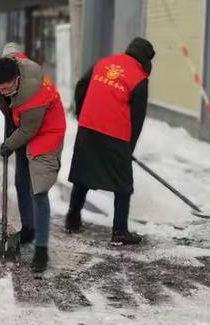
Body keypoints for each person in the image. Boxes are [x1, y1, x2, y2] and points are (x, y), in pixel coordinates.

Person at [65, 37, 155, 246]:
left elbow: (81, 85)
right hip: (115, 134)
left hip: (88, 128)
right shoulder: (140, 77)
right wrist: (129, 147)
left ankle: (72, 218)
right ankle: (119, 232)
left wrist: (81, 114)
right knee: (123, 185)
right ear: (146, 59)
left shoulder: (104, 63)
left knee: (83, 174)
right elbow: (137, 118)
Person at [0, 56, 66, 272]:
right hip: (23, 126)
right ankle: (28, 229)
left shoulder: (34, 96)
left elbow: (29, 131)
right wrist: (10, 120)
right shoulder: (10, 71)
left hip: (46, 132)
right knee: (21, 182)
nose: (2, 92)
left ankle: (41, 249)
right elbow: (11, 50)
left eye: (6, 88)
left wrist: (9, 144)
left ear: (17, 79)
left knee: (38, 190)